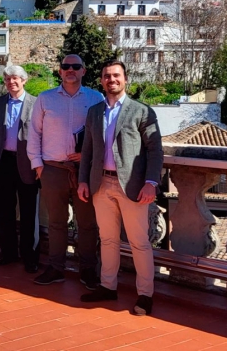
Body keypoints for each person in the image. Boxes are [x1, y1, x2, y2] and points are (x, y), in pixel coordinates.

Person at [78, 61, 163, 316]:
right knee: (107, 239)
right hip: (100, 184)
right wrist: (83, 180)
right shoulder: (94, 112)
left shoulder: (141, 111)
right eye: (106, 76)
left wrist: (151, 183)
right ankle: (107, 286)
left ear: (125, 79)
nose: (111, 79)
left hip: (133, 186)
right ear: (101, 81)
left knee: (139, 242)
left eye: (116, 75)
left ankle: (145, 295)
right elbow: (88, 151)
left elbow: (155, 150)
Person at [28, 55, 104, 288]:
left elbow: (102, 135)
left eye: (76, 66)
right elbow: (34, 133)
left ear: (84, 70)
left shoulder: (96, 98)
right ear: (59, 71)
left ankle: (88, 269)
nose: (70, 70)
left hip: (84, 171)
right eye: (65, 67)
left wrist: (87, 156)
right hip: (53, 169)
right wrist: (38, 165)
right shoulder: (45, 98)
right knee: (56, 222)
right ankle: (56, 268)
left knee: (87, 223)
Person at [0, 65, 40, 273]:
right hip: (2, 163)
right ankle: (8, 253)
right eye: (7, 79)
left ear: (24, 80)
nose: (11, 82)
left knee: (29, 213)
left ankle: (30, 257)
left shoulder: (35, 103)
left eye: (15, 79)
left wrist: (38, 163)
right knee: (3, 211)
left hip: (27, 163)